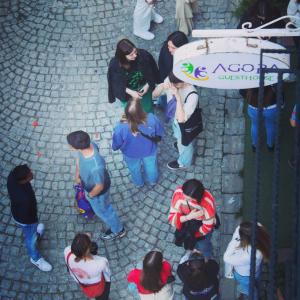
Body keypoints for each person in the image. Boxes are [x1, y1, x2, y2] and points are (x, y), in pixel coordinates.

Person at [67, 130, 125, 241]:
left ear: (76, 147)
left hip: (97, 192)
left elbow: (99, 186)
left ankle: (118, 230)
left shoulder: (96, 166)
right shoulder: (89, 145)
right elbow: (79, 159)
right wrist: (77, 174)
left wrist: (90, 196)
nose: (69, 145)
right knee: (101, 208)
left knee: (105, 211)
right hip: (89, 185)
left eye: (70, 144)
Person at [6, 164, 52, 272]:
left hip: (17, 211)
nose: (32, 174)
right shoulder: (24, 199)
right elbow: (28, 216)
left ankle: (35, 233)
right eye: (29, 175)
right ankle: (35, 258)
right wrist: (33, 222)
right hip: (27, 220)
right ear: (23, 180)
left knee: (32, 232)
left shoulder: (12, 176)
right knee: (30, 239)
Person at [112, 98, 164, 187]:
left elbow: (116, 145)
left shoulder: (120, 127)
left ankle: (138, 183)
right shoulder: (152, 118)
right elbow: (160, 133)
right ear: (141, 109)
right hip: (149, 150)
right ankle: (152, 181)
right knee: (151, 167)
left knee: (134, 169)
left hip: (131, 154)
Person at [153, 71, 198, 170]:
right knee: (179, 138)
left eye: (175, 84)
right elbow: (154, 95)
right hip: (174, 119)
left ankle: (184, 162)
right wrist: (163, 86)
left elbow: (181, 119)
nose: (172, 85)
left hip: (184, 123)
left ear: (184, 81)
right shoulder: (172, 80)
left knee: (186, 144)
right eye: (171, 82)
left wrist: (177, 97)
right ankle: (179, 143)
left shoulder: (192, 95)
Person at [107, 39, 160, 113]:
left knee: (148, 109)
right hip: (128, 95)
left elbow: (152, 71)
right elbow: (116, 84)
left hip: (145, 90)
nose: (135, 55)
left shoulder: (143, 55)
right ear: (123, 56)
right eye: (131, 55)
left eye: (135, 51)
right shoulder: (115, 65)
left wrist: (148, 85)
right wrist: (132, 93)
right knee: (132, 113)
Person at [168, 179, 217, 259]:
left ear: (197, 199)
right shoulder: (179, 193)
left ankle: (206, 257)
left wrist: (194, 235)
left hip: (200, 226)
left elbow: (207, 227)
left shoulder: (207, 202)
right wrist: (188, 217)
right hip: (187, 223)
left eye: (188, 199)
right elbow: (172, 219)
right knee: (190, 243)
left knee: (203, 246)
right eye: (184, 195)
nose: (183, 198)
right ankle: (193, 251)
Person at [223, 222, 271, 300]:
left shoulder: (248, 255)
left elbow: (226, 258)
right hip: (255, 270)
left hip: (244, 275)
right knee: (256, 281)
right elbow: (241, 227)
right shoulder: (260, 233)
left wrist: (236, 240)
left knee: (250, 291)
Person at [64, 233, 111, 299]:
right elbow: (107, 273)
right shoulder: (100, 263)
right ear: (89, 249)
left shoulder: (67, 251)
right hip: (98, 286)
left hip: (82, 281)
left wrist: (83, 240)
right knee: (102, 296)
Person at [246, 86, 278, 152]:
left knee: (255, 125)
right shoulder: (274, 76)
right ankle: (270, 146)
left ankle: (255, 146)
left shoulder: (250, 77)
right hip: (271, 107)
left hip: (254, 107)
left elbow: (241, 91)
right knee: (270, 125)